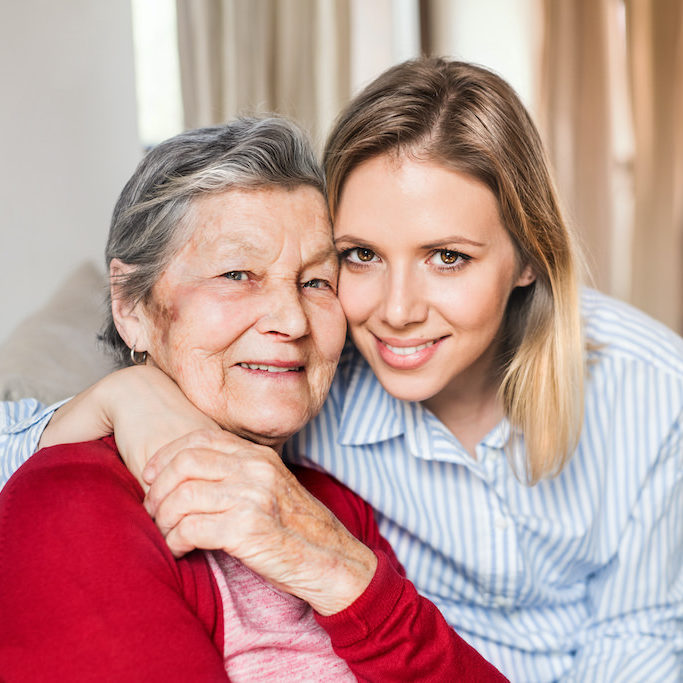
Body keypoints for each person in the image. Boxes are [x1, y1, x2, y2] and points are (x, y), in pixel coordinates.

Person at [2, 57, 682, 681]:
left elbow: (640, 634)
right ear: (130, 303)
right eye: (358, 256)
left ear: (529, 257)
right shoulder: (295, 384)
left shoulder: (646, 387)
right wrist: (123, 397)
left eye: (447, 256)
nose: (394, 309)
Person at [0, 116, 506, 681]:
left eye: (317, 282)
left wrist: (341, 573)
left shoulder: (335, 507)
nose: (292, 320)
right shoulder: (72, 504)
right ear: (131, 308)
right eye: (238, 273)